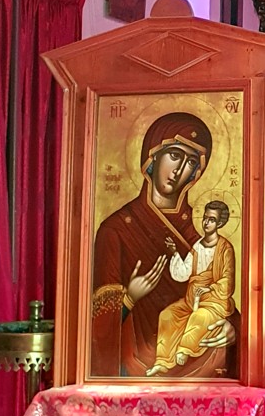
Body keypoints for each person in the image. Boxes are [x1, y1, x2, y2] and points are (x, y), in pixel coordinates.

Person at [91, 111, 212, 376]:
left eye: (191, 162)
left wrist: (230, 327)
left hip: (191, 352)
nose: (179, 169)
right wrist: (129, 298)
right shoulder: (115, 230)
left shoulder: (197, 231)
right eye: (175, 155)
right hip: (135, 360)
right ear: (153, 155)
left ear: (196, 173)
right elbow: (96, 328)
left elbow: (217, 298)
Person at [149, 200, 236, 373]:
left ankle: (184, 349)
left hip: (214, 302)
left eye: (211, 220)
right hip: (192, 299)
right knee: (167, 315)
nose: (206, 223)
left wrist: (210, 288)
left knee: (199, 316)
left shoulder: (225, 249)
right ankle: (162, 362)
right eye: (205, 218)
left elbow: (228, 280)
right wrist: (174, 252)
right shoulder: (197, 246)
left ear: (220, 223)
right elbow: (183, 274)